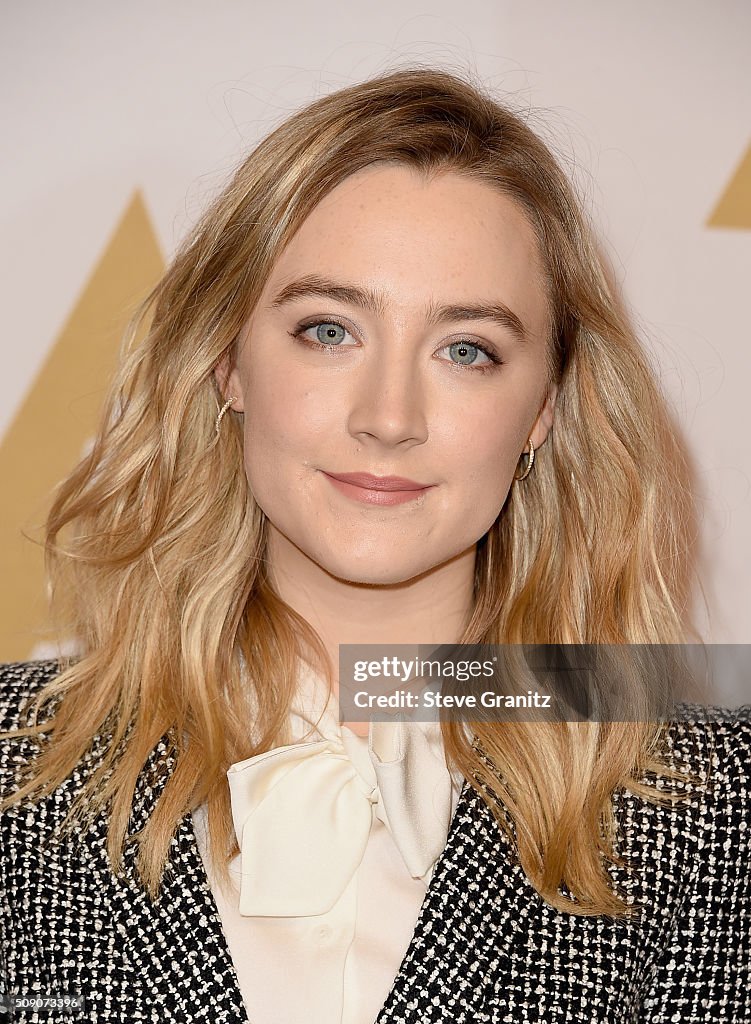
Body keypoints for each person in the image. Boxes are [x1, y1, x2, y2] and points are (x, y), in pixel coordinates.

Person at [0, 67, 748, 1024]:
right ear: (227, 364)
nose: (389, 418)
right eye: (328, 330)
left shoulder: (716, 809)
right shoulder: (16, 765)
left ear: (541, 411)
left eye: (466, 349)